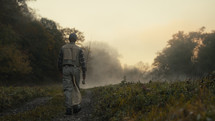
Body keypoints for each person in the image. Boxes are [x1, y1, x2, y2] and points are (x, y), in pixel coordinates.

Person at [58, 33, 86, 115]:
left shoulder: (63, 48)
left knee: (67, 89)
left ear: (69, 39)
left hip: (65, 68)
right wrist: (84, 74)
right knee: (76, 87)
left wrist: (60, 71)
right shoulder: (79, 49)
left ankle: (68, 109)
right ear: (76, 39)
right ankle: (76, 106)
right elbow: (83, 63)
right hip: (76, 69)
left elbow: (59, 61)